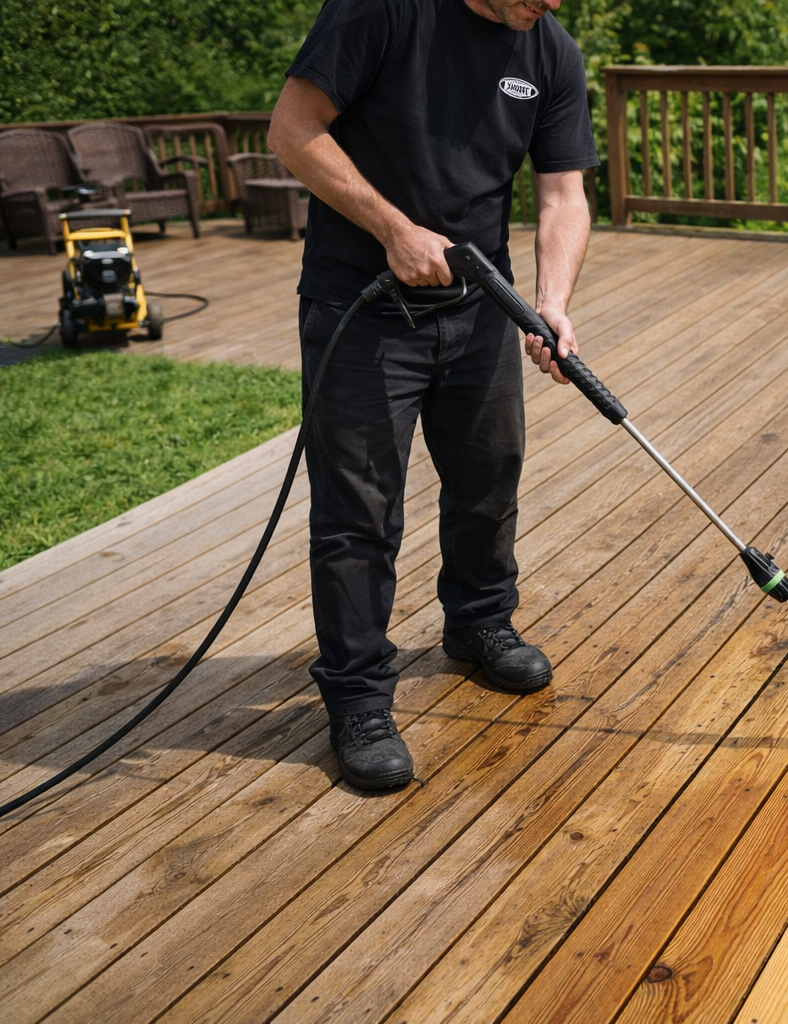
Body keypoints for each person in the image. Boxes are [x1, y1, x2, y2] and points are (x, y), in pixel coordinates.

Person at [268, 0, 597, 790]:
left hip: (481, 305)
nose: (549, 4)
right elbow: (292, 131)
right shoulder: (381, 10)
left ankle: (479, 622)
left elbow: (562, 196)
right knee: (359, 512)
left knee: (489, 479)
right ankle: (357, 697)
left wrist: (550, 301)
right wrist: (392, 228)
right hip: (362, 307)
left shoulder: (549, 49)